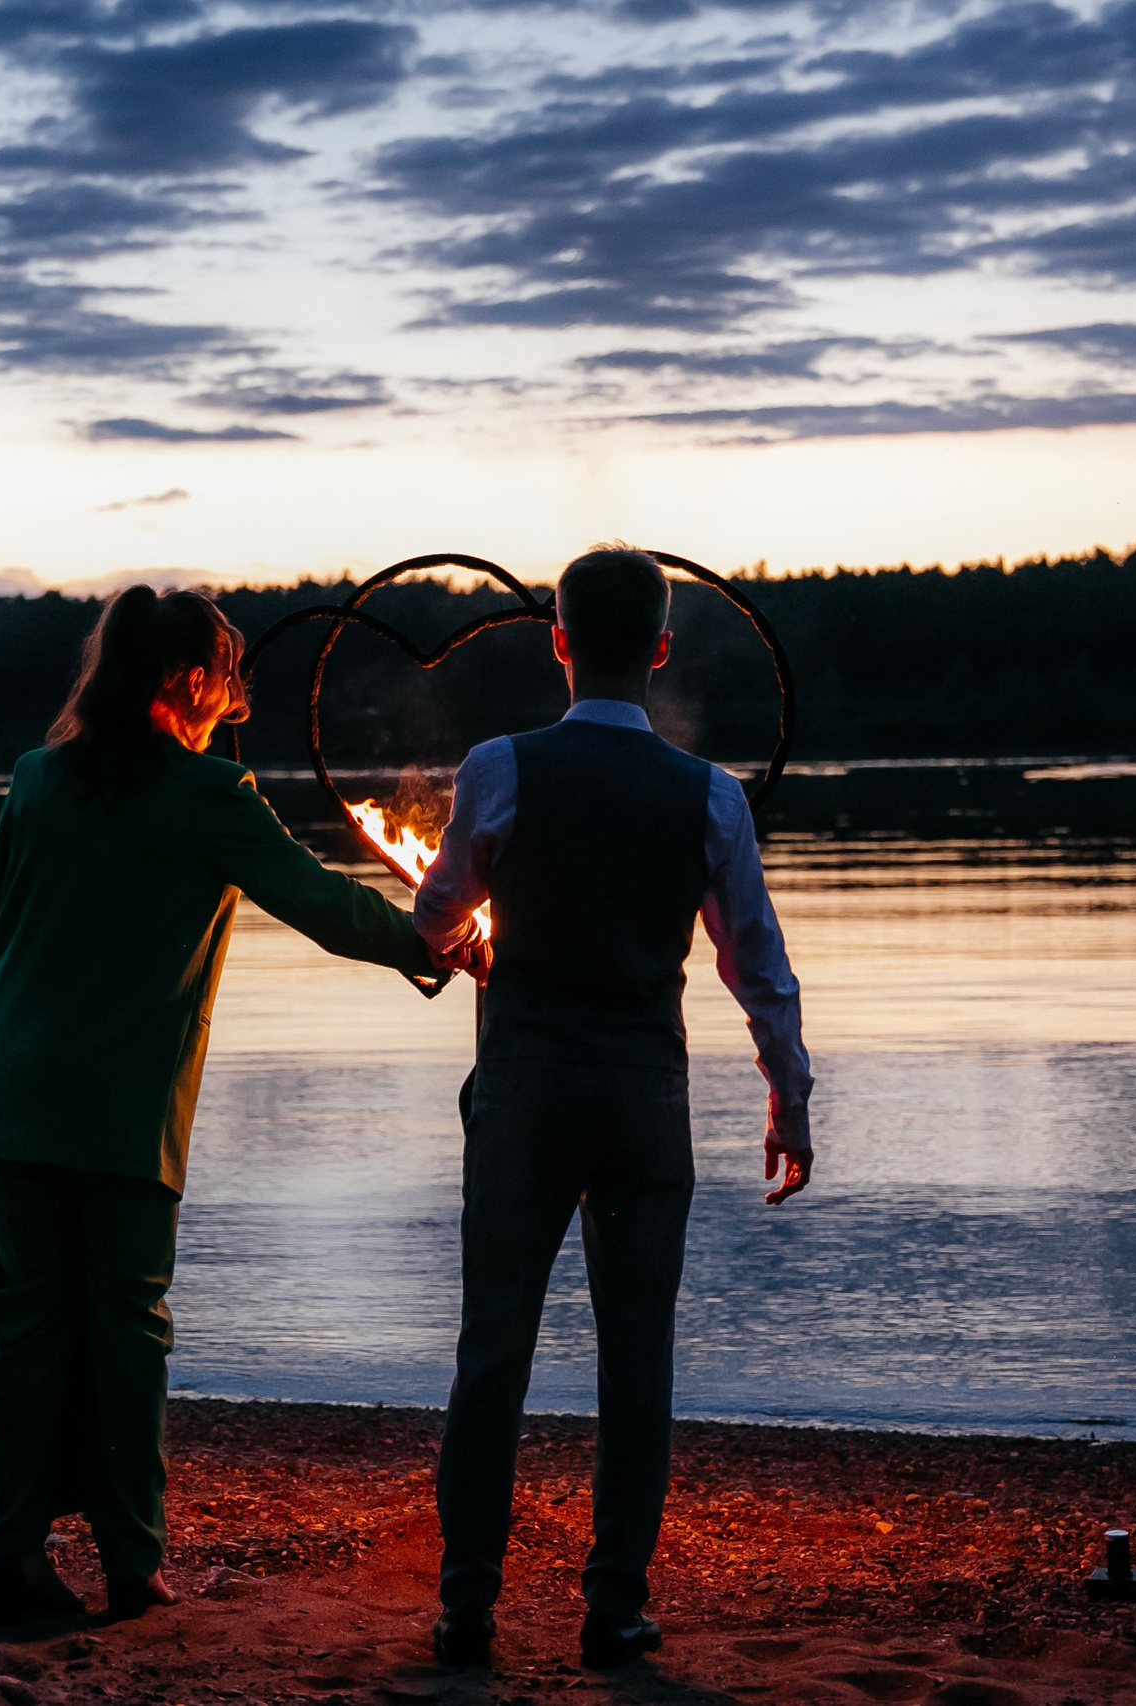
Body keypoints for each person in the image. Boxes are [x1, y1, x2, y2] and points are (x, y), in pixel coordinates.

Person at [0, 585, 485, 1626]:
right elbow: (322, 902)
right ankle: (131, 1567)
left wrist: (14, 1052)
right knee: (126, 1335)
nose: (235, 693)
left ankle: (14, 1557)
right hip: (117, 1112)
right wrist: (434, 945)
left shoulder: (34, 779)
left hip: (10, 1093)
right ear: (190, 680)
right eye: (226, 675)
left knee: (22, 1332)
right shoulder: (210, 793)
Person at [412, 544, 815, 1670]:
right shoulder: (711, 795)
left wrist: (466, 935)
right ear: (661, 650)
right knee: (637, 1359)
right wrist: (787, 1098)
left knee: (493, 1348)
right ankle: (615, 1608)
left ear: (557, 642)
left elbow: (436, 915)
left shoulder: (499, 768)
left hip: (524, 1098)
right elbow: (756, 965)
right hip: (641, 1103)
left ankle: (466, 1606)